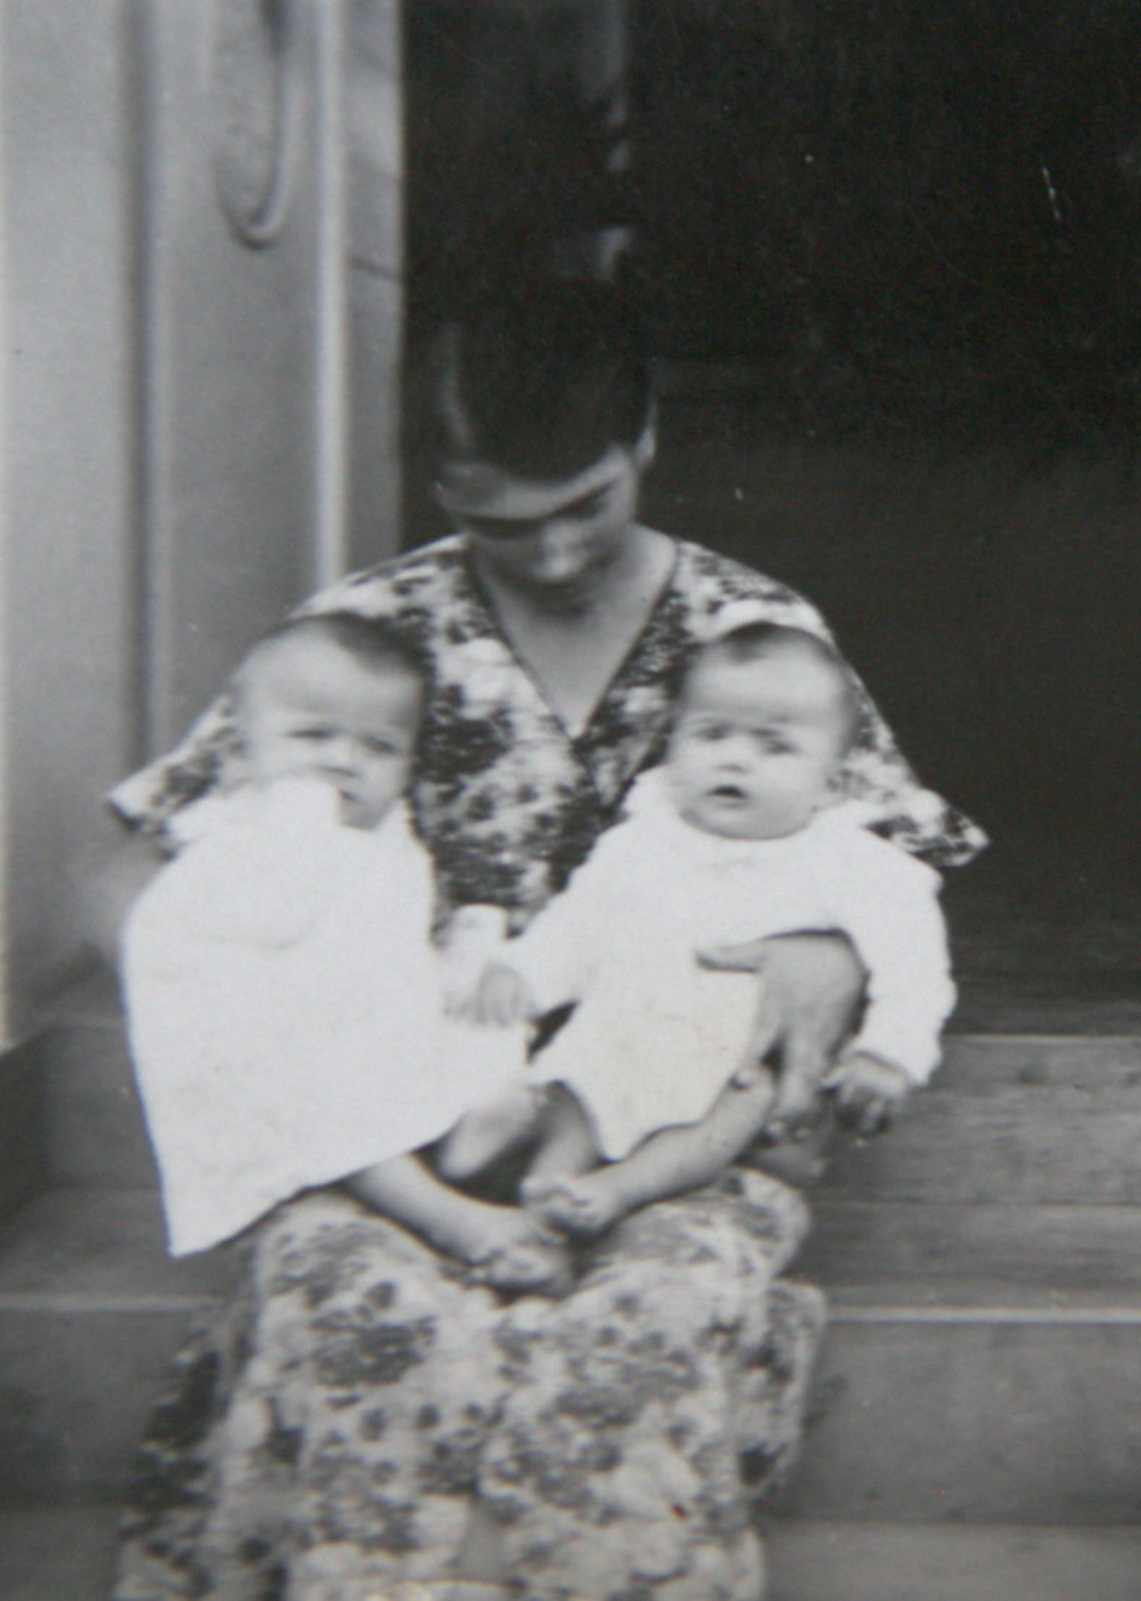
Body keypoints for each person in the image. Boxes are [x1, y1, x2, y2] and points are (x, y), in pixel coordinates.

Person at [103, 291, 982, 1601]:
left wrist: (830, 950)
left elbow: (885, 857)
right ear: (434, 483)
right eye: (502, 520)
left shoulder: (749, 626)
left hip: (672, 1114)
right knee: (358, 1312)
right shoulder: (367, 630)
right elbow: (161, 859)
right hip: (394, 1114)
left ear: (648, 437)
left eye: (587, 503)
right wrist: (265, 975)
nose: (558, 553)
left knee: (630, 1341)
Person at [437, 621, 954, 1247]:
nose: (734, 758)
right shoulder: (641, 841)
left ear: (833, 782)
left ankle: (617, 1189)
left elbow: (913, 965)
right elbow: (577, 926)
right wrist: (524, 973)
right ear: (674, 744)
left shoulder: (850, 863)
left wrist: (889, 1054)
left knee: (742, 1102)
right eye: (711, 735)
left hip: (731, 1060)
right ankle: (544, 1196)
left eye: (774, 747)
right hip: (620, 1032)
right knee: (575, 1081)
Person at [118, 614, 553, 1284]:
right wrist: (303, 816)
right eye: (311, 737)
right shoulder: (236, 830)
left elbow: (397, 935)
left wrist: (466, 950)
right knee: (328, 1092)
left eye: (379, 746)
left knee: (480, 1009)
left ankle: (474, 1126)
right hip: (262, 1032)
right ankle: (447, 1215)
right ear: (241, 750)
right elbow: (268, 919)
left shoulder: (386, 831)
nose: (344, 761)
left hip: (363, 1009)